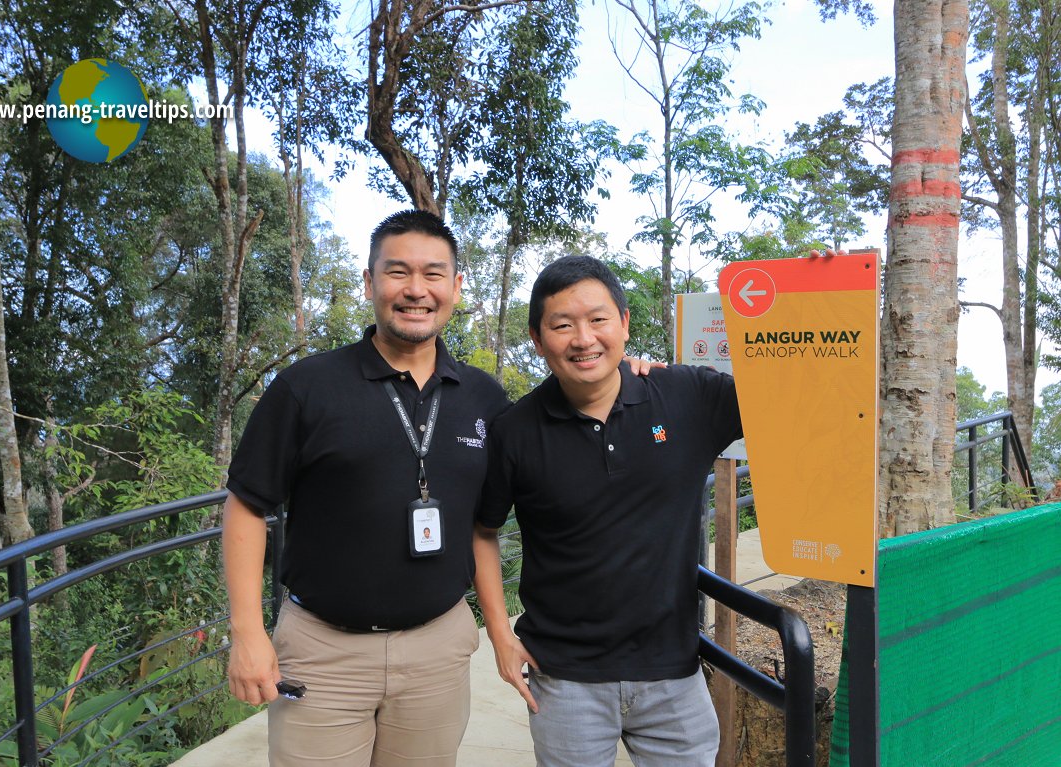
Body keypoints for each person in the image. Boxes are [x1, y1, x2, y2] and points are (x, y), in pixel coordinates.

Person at [223, 209, 510, 766]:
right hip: (321, 650)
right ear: (370, 282)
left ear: (455, 286)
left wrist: (631, 373)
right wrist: (247, 633)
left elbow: (487, 522)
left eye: (433, 274)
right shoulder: (307, 388)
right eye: (397, 272)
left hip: (438, 648)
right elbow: (247, 506)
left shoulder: (484, 399)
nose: (416, 290)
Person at [472, 255, 744, 767]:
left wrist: (810, 293)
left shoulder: (687, 396)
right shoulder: (515, 430)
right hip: (564, 680)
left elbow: (798, 391)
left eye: (598, 319)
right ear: (538, 338)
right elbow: (482, 532)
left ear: (623, 323)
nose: (583, 338)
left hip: (674, 674)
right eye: (562, 324)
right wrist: (501, 638)